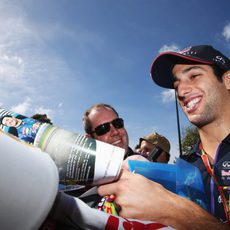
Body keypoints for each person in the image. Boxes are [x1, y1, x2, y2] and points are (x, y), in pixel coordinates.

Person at [98, 45, 230, 229]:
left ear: (227, 79)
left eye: (194, 76)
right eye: (177, 85)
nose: (181, 91)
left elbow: (178, 214)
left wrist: (179, 214)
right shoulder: (185, 168)